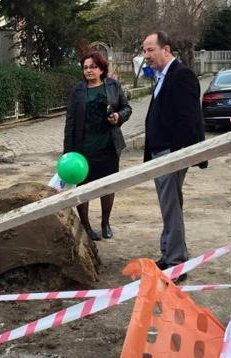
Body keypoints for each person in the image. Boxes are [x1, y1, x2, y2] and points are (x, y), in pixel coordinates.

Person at [141, 31, 206, 275]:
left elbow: (188, 120)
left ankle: (176, 263)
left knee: (171, 206)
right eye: (144, 51)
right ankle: (169, 253)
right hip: (161, 154)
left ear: (166, 49)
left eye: (150, 50)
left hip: (171, 155)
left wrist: (175, 156)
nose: (146, 55)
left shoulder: (182, 75)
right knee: (170, 205)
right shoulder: (161, 76)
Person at [63, 51, 132, 241]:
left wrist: (119, 117)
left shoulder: (113, 86)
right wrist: (67, 152)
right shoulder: (78, 90)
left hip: (108, 146)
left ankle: (105, 223)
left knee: (107, 187)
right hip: (83, 149)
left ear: (101, 68)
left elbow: (127, 108)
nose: (88, 70)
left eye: (92, 66)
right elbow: (70, 121)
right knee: (82, 188)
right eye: (85, 67)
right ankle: (85, 225)